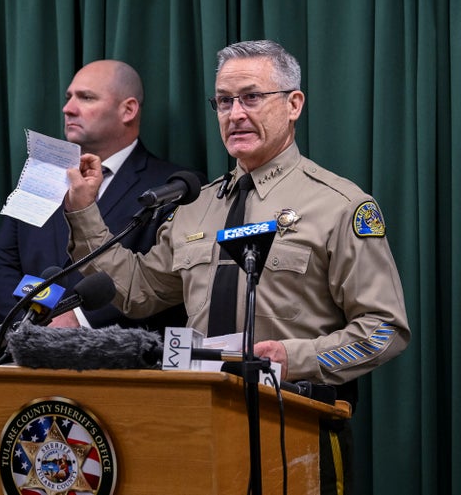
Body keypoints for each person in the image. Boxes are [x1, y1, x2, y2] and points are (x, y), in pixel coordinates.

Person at [63, 40, 411, 494]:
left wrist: (297, 358)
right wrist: (86, 213)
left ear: (293, 104)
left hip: (294, 426)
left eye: (251, 97)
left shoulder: (340, 206)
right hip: (199, 426)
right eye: (224, 101)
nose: (235, 113)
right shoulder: (196, 205)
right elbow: (136, 291)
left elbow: (384, 329)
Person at [0, 59, 201, 332]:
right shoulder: (39, 177)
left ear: (128, 110)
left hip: (122, 357)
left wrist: (78, 320)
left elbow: (161, 279)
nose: (68, 108)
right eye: (68, 97)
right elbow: (2, 266)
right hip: (27, 348)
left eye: (86, 98)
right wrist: (29, 325)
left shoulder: (173, 186)